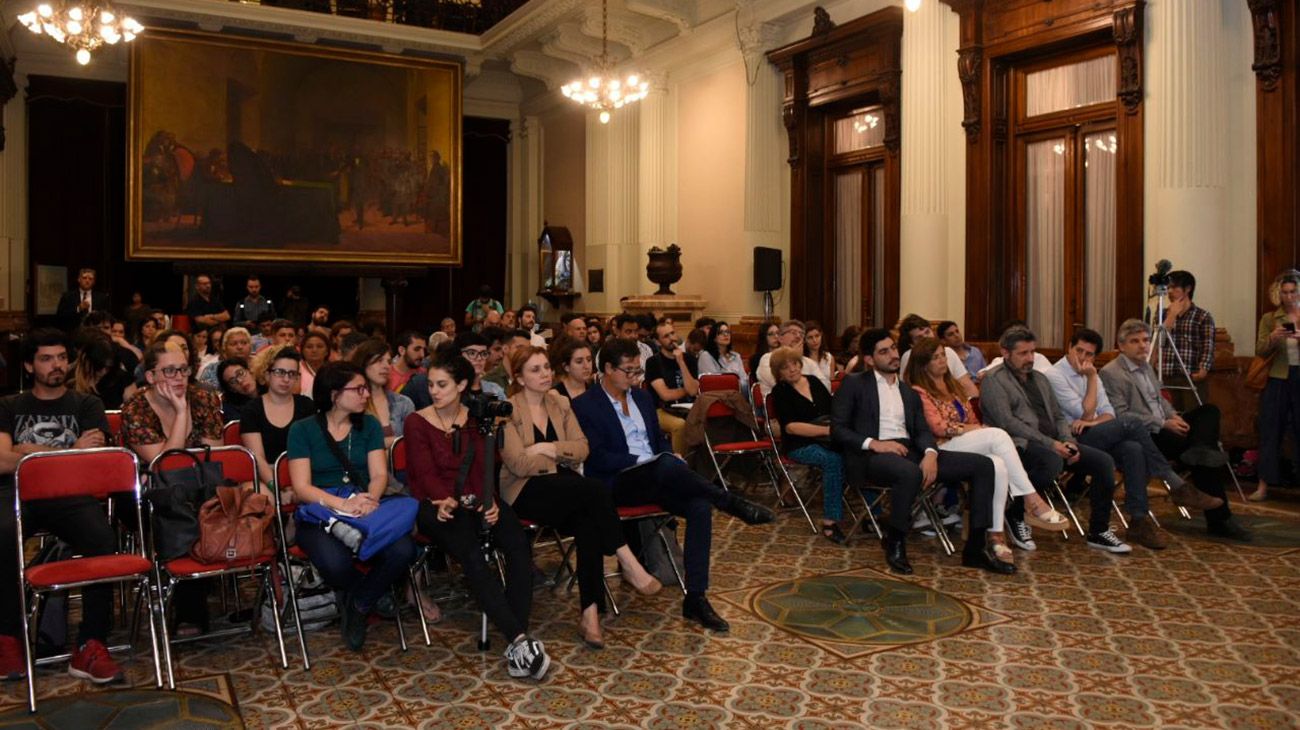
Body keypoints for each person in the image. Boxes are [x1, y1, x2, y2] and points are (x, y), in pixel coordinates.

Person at [571, 338, 775, 632]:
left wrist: (667, 454)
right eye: (628, 371)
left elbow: (659, 439)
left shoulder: (641, 398)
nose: (634, 377)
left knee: (699, 505)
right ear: (607, 369)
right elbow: (598, 457)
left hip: (657, 475)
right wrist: (652, 459)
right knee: (664, 463)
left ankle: (695, 598)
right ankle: (731, 502)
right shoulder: (586, 405)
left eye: (637, 371)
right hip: (616, 482)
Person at [501, 347, 662, 647]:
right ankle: (626, 558)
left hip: (566, 488)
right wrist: (561, 455)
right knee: (595, 490)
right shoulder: (507, 411)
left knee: (589, 522)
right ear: (519, 378)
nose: (545, 374)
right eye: (535, 369)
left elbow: (582, 448)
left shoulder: (560, 403)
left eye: (547, 367)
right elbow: (519, 465)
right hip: (525, 491)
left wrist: (548, 448)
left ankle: (590, 617)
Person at [404, 354, 550, 679]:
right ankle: (519, 639)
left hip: (477, 498)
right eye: (430, 385)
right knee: (471, 553)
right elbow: (423, 473)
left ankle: (517, 641)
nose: (434, 391)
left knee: (516, 543)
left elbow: (487, 467)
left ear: (460, 386)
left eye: (442, 385)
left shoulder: (478, 418)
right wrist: (443, 500)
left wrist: (490, 502)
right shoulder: (417, 422)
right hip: (435, 504)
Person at [831, 328, 1011, 575]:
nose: (893, 355)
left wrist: (930, 453)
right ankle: (895, 542)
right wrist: (874, 443)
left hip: (910, 450)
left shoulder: (908, 390)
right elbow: (838, 429)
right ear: (870, 359)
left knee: (983, 465)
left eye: (893, 348)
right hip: (870, 455)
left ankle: (975, 549)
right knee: (909, 473)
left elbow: (922, 431)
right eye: (884, 352)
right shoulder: (854, 384)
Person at [0, 329, 123, 684]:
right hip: (18, 492)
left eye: (61, 358)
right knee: (3, 535)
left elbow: (94, 461)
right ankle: (8, 637)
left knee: (102, 541)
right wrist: (69, 451)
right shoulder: (9, 406)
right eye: (46, 358)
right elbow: (2, 463)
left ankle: (90, 643)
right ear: (28, 365)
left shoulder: (86, 404)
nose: (56, 365)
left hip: (71, 493)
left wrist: (26, 450)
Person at [1045, 328, 1220, 549]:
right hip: (1073, 439)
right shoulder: (1055, 375)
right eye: (1079, 351)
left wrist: (1094, 421)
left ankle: (1138, 522)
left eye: (1089, 354)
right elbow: (1084, 413)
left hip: (1098, 431)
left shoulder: (1094, 373)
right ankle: (1175, 484)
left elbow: (1109, 413)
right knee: (1133, 422)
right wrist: (1090, 380)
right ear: (1068, 348)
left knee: (1133, 448)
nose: (1083, 358)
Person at [286, 362, 418, 652]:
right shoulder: (303, 430)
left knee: (404, 550)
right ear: (334, 394)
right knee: (335, 563)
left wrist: (369, 499)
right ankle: (369, 592)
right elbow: (302, 487)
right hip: (320, 510)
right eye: (357, 389)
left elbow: (380, 475)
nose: (365, 395)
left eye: (365, 389)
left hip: (365, 504)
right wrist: (343, 504)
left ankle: (358, 603)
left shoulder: (368, 425)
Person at [904, 337, 1068, 562]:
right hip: (940, 448)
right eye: (935, 358)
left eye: (943, 355)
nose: (942, 360)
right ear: (923, 364)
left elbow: (970, 417)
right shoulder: (918, 391)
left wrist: (973, 428)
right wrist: (974, 429)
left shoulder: (952, 386)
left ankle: (996, 535)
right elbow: (939, 427)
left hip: (963, 442)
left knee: (998, 464)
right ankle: (1032, 499)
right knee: (998, 434)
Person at [979, 327, 1131, 554]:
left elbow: (1059, 416)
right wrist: (1052, 444)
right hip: (1018, 444)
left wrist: (1067, 440)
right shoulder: (994, 380)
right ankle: (1016, 512)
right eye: (1023, 354)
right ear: (1005, 352)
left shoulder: (1039, 378)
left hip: (1054, 441)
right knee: (1051, 461)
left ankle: (1098, 531)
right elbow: (1008, 422)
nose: (1030, 359)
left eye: (1032, 352)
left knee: (1104, 463)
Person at [1101, 319, 1249, 541]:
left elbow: (1160, 401)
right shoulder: (1112, 373)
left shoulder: (1146, 367)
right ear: (1121, 346)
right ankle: (1221, 520)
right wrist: (1163, 423)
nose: (1143, 346)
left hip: (1167, 425)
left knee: (1209, 412)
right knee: (1205, 455)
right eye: (1135, 341)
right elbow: (1122, 415)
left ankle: (1200, 449)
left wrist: (1172, 416)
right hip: (1148, 434)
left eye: (1146, 340)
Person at [122, 340, 224, 633]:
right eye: (169, 371)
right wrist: (181, 413)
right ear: (151, 377)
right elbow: (166, 464)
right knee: (177, 509)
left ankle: (195, 589)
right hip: (145, 494)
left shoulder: (203, 400)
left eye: (183, 369)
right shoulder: (136, 407)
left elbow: (214, 452)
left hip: (199, 486)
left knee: (198, 503)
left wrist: (185, 411)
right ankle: (191, 605)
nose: (179, 377)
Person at [768, 347, 846, 544]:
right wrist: (827, 431)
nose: (792, 369)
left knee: (859, 453)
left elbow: (833, 411)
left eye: (794, 364)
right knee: (833, 460)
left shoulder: (813, 382)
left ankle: (874, 515)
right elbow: (792, 428)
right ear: (779, 373)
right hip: (799, 444)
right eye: (785, 368)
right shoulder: (780, 392)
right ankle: (830, 521)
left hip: (829, 438)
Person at [1253, 269, 1300, 502]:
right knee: (1270, 430)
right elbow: (1260, 351)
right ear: (1279, 294)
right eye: (1285, 292)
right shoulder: (1270, 318)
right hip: (1278, 378)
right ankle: (1264, 484)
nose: (1289, 297)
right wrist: (1273, 337)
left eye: (1293, 292)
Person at [240, 348, 315, 488]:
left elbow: (315, 451)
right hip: (267, 478)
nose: (286, 379)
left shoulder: (307, 406)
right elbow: (258, 458)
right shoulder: (251, 410)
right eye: (280, 372)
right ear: (267, 374)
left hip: (305, 477)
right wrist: (276, 487)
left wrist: (301, 486)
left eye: (292, 374)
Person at [1159, 270, 1215, 411]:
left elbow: (1208, 345)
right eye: (1168, 288)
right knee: (1170, 416)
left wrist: (1203, 369)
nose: (1170, 291)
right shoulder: (1163, 314)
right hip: (1167, 374)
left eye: (1175, 287)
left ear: (1188, 289)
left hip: (1191, 374)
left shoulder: (1202, 316)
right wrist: (1171, 316)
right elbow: (1159, 341)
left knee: (1192, 417)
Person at [645, 321, 700, 455]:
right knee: (679, 425)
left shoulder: (689, 359)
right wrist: (686, 390)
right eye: (666, 336)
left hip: (689, 407)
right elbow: (665, 395)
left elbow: (693, 391)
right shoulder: (653, 362)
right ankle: (679, 464)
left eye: (672, 333)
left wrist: (681, 362)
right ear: (658, 342)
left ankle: (701, 465)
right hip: (662, 409)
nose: (672, 339)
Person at [349, 338, 415, 446]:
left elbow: (412, 443)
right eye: (379, 360)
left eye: (389, 362)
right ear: (363, 363)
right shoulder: (350, 402)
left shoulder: (404, 403)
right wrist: (389, 442)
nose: (386, 366)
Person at [896, 314, 978, 398]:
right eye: (920, 337)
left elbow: (970, 388)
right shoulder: (909, 356)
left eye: (927, 332)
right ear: (912, 345)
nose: (927, 338)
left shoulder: (949, 352)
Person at [756, 320, 831, 396]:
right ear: (780, 338)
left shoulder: (809, 362)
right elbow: (780, 385)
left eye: (801, 334)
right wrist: (792, 356)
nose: (798, 336)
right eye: (793, 332)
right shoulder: (767, 359)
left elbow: (826, 386)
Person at [73, 328, 133, 410]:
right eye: (98, 367)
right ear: (86, 360)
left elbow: (134, 414)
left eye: (108, 367)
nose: (103, 372)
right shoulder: (70, 379)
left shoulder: (122, 378)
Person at [696, 321, 749, 394]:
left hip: (738, 395)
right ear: (714, 337)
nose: (726, 335)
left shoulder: (736, 356)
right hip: (716, 396)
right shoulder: (706, 356)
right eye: (721, 332)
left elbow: (744, 380)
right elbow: (712, 383)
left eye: (728, 332)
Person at [217, 358, 259, 422]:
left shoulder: (271, 388)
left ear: (250, 371)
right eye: (233, 381)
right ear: (231, 389)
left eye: (240, 373)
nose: (240, 381)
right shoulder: (232, 410)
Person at [299, 331, 331, 400]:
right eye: (309, 347)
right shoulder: (296, 369)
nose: (314, 350)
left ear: (327, 351)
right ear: (302, 351)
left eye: (319, 346)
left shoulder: (333, 371)